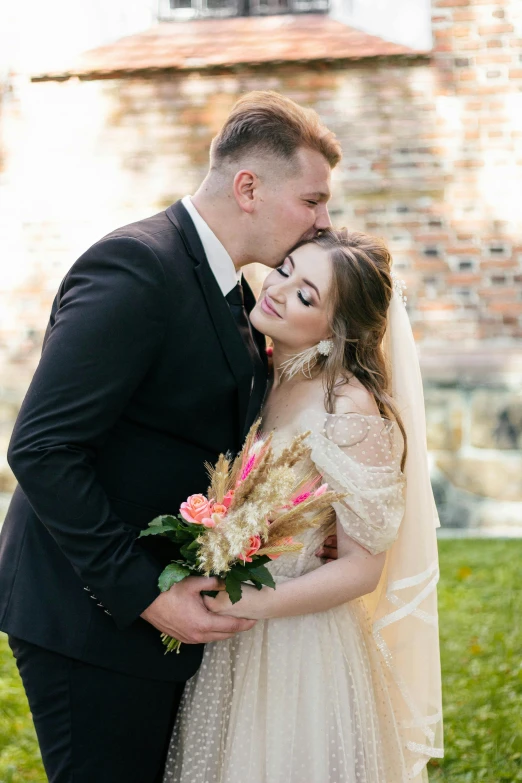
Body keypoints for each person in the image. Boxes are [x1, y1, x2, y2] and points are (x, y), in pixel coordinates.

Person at [0, 91, 342, 783]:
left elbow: (196, 436)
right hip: (88, 619)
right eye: (312, 200)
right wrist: (144, 594)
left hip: (157, 618)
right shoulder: (135, 267)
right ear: (248, 186)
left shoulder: (235, 291)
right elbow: (41, 447)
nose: (323, 221)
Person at [164, 230, 443, 783]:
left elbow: (362, 569)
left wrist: (243, 608)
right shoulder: (261, 374)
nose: (279, 288)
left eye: (307, 295)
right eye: (287, 268)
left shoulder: (347, 406)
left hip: (299, 643)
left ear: (338, 330)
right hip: (230, 638)